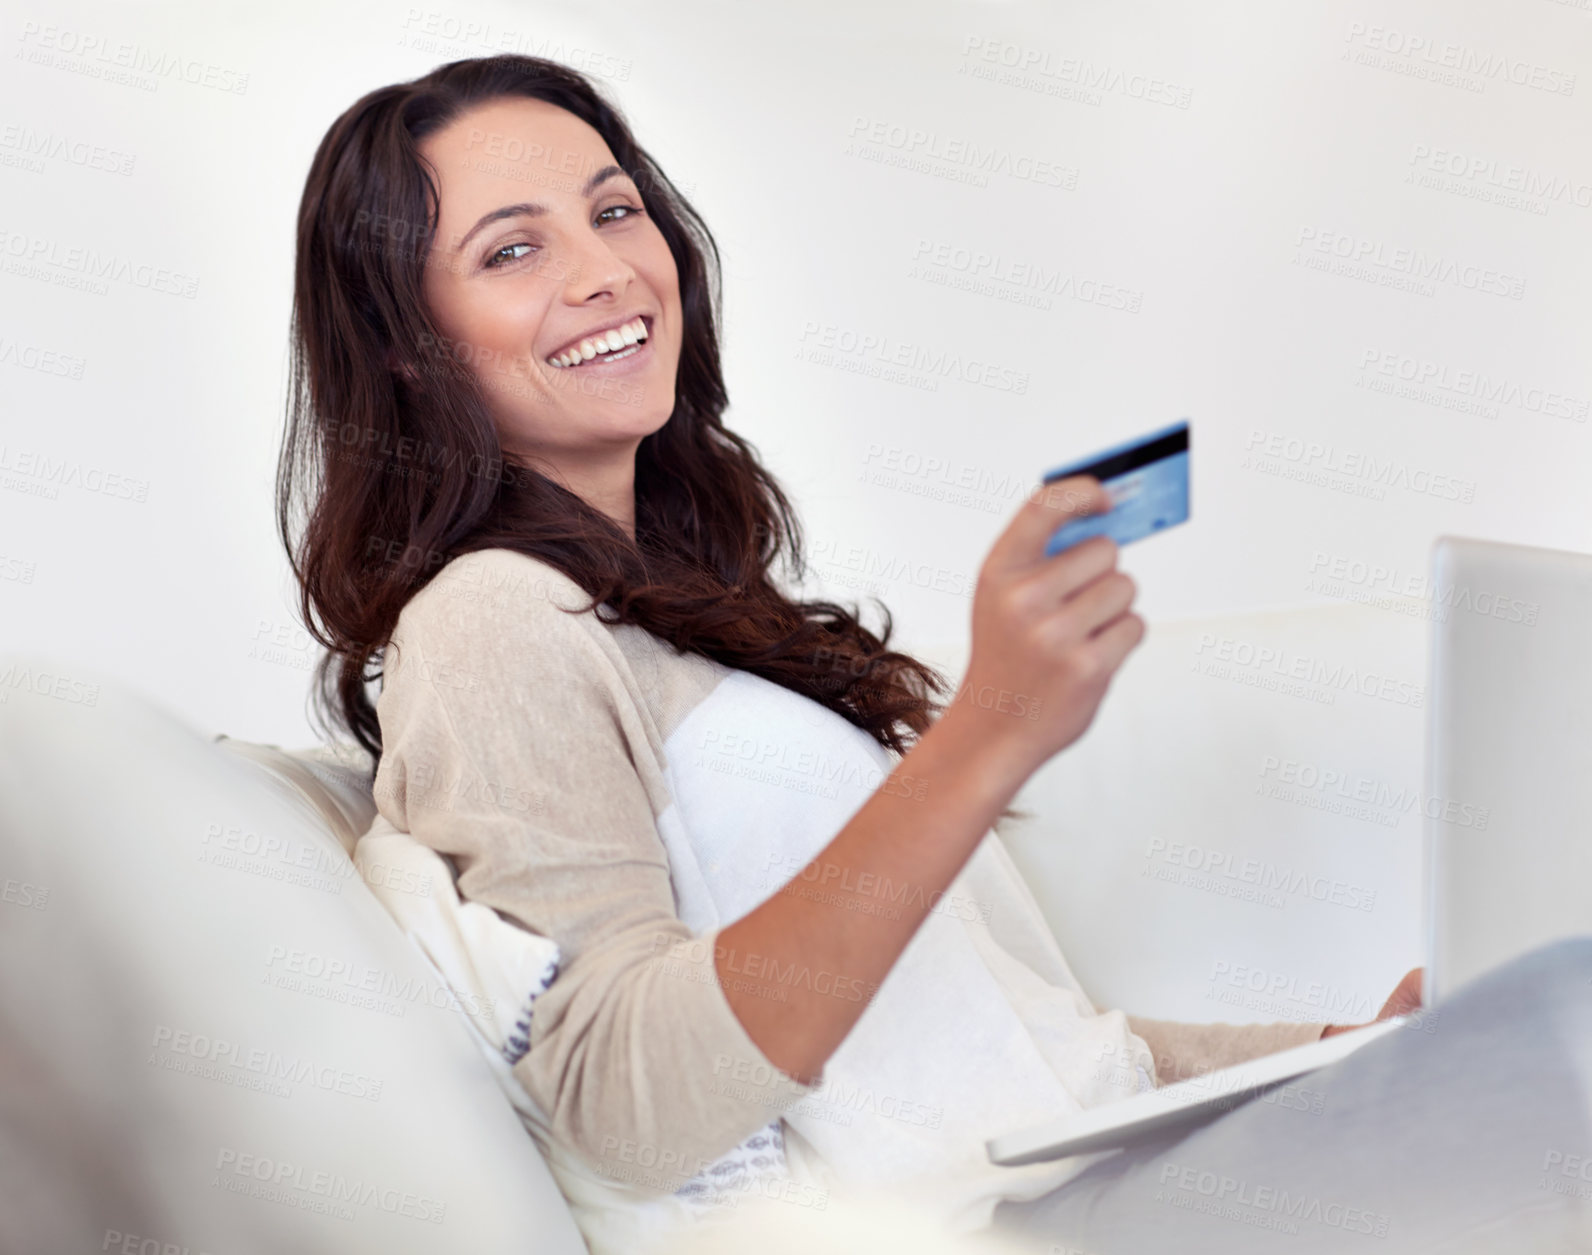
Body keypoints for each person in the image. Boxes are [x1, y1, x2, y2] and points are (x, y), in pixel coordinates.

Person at [279, 54, 1592, 1255]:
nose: (606, 270)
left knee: (1541, 1012)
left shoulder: (682, 621)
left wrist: (1336, 1053)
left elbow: (1022, 1065)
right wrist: (991, 734)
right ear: (405, 343)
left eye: (615, 211)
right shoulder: (491, 617)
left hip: (1098, 1184)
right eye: (513, 250)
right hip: (1025, 1228)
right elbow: (624, 1108)